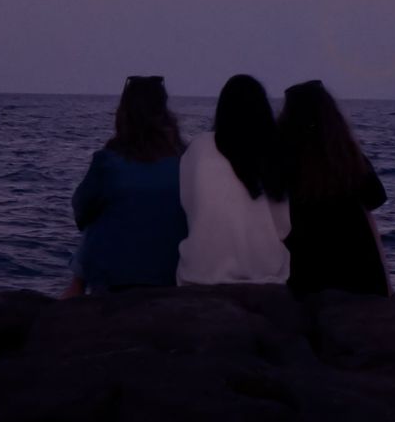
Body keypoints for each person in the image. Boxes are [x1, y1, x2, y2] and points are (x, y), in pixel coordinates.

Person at [66, 75, 187, 294]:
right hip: (169, 274)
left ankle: (75, 289)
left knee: (98, 214)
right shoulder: (184, 161)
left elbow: (80, 212)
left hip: (114, 280)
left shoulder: (108, 161)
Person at [278, 80, 390, 296]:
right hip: (355, 268)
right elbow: (376, 198)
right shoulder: (346, 157)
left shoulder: (282, 155)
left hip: (304, 268)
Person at [177, 74, 291, 285]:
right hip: (263, 273)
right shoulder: (272, 152)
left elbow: (189, 205)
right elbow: (283, 227)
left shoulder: (199, 147)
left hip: (201, 272)